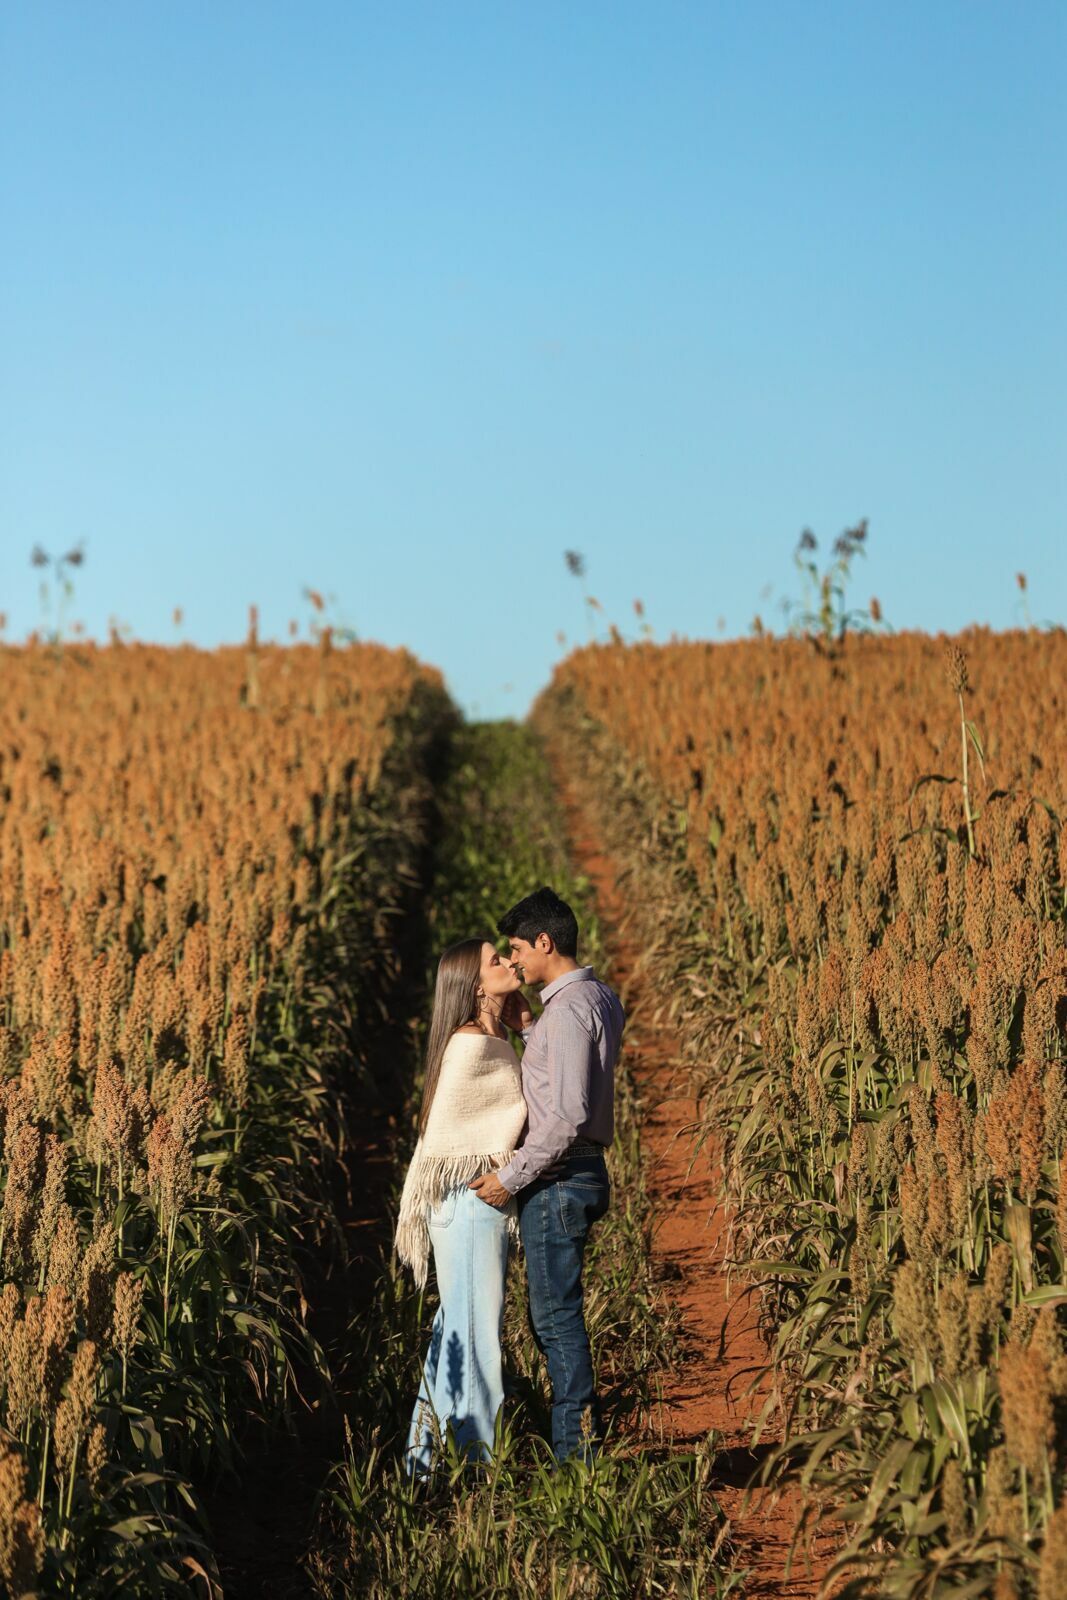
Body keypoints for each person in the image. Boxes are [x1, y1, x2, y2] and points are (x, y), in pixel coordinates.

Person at [468, 886, 625, 1464]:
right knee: (556, 1314)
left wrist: (510, 1177)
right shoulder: (597, 997)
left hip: (558, 1176)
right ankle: (577, 1441)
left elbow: (563, 1117)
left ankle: (577, 1457)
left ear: (544, 942)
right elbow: (570, 1072)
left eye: (516, 949)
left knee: (555, 1318)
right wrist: (531, 1028)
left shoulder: (567, 1010)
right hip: (583, 1169)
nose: (513, 961)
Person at [394, 937, 527, 1476]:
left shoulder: (491, 1037)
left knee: (454, 1333)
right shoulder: (471, 1045)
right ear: (474, 986)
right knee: (475, 1343)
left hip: (466, 1204)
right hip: (468, 1201)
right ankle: (476, 1472)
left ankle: (423, 1465)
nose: (509, 963)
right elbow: (455, 1137)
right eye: (496, 961)